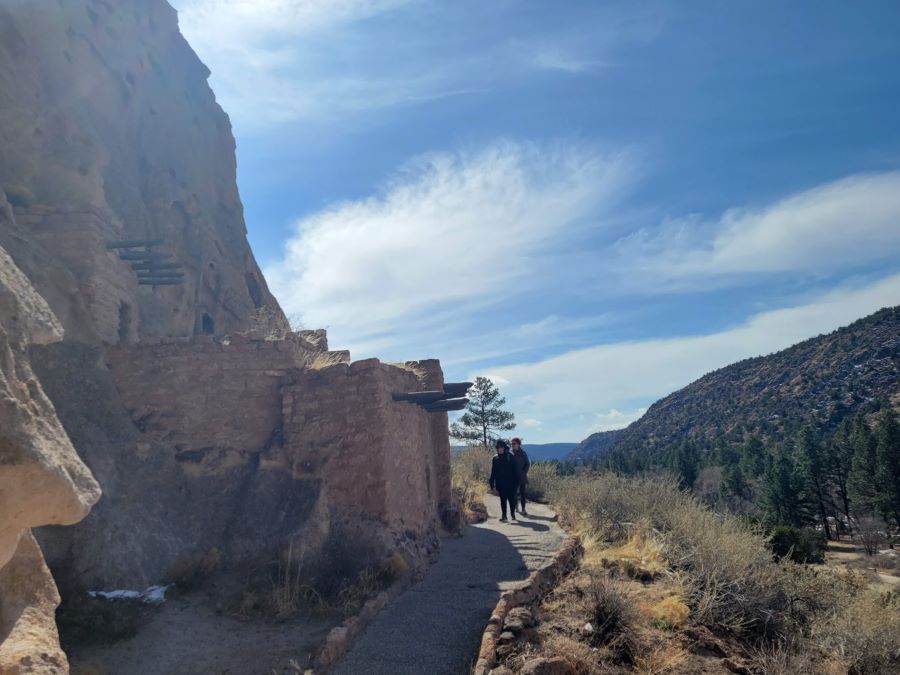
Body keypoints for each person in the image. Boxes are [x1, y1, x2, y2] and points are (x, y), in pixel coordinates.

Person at [488, 439, 518, 522]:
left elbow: (515, 470)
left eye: (500, 447)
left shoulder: (510, 457)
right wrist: (491, 483)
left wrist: (516, 483)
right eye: (497, 448)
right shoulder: (495, 458)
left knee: (511, 499)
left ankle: (512, 514)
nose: (499, 449)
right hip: (500, 483)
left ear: (504, 448)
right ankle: (504, 516)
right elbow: (493, 471)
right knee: (503, 500)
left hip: (511, 483)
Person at [510, 437, 530, 516]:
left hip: (521, 476)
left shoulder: (523, 453)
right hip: (513, 476)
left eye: (514, 443)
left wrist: (523, 472)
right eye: (512, 444)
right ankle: (516, 507)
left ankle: (523, 509)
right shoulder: (510, 453)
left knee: (522, 493)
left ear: (518, 444)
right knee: (514, 493)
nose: (512, 445)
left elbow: (527, 464)